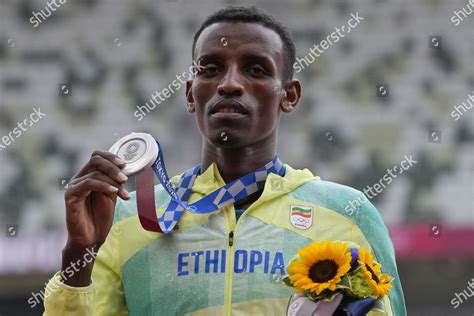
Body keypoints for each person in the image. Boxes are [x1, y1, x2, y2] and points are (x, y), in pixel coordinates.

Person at [44, 5, 406, 315]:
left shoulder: (347, 213)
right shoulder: (128, 218)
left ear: (289, 95)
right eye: (211, 69)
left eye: (256, 70)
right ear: (190, 94)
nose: (229, 84)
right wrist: (80, 252)